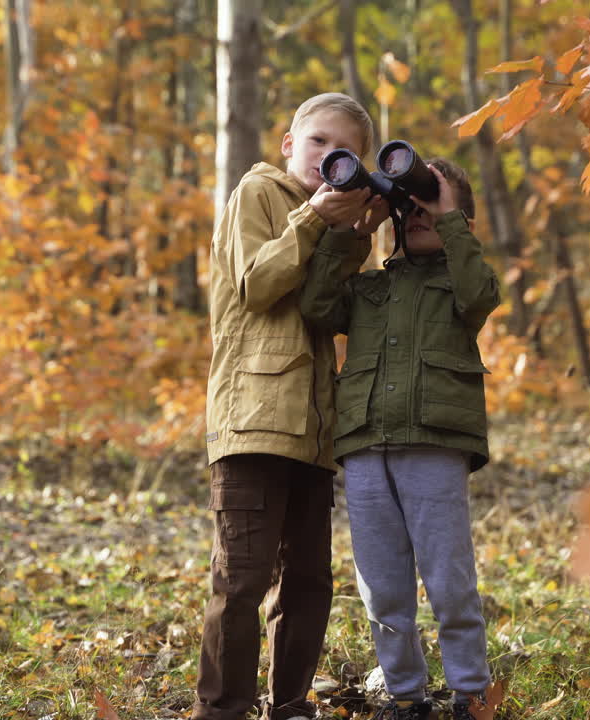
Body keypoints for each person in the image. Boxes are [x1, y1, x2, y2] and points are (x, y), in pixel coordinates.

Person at [194, 92, 389, 720]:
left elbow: (324, 311)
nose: (328, 157)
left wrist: (355, 236)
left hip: (313, 429)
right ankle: (221, 711)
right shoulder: (257, 193)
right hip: (251, 419)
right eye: (318, 142)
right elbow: (256, 285)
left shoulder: (332, 218)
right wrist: (311, 218)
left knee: (307, 583)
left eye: (345, 152)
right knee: (242, 578)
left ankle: (290, 706)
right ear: (288, 144)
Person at [299, 157, 501, 720]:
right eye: (409, 206)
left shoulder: (461, 283)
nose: (418, 214)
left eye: (432, 204)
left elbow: (481, 294)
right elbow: (316, 304)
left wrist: (448, 217)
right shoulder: (370, 286)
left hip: (434, 443)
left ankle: (469, 692)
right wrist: (352, 232)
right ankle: (406, 695)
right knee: (382, 586)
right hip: (366, 443)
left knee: (448, 580)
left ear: (460, 221)